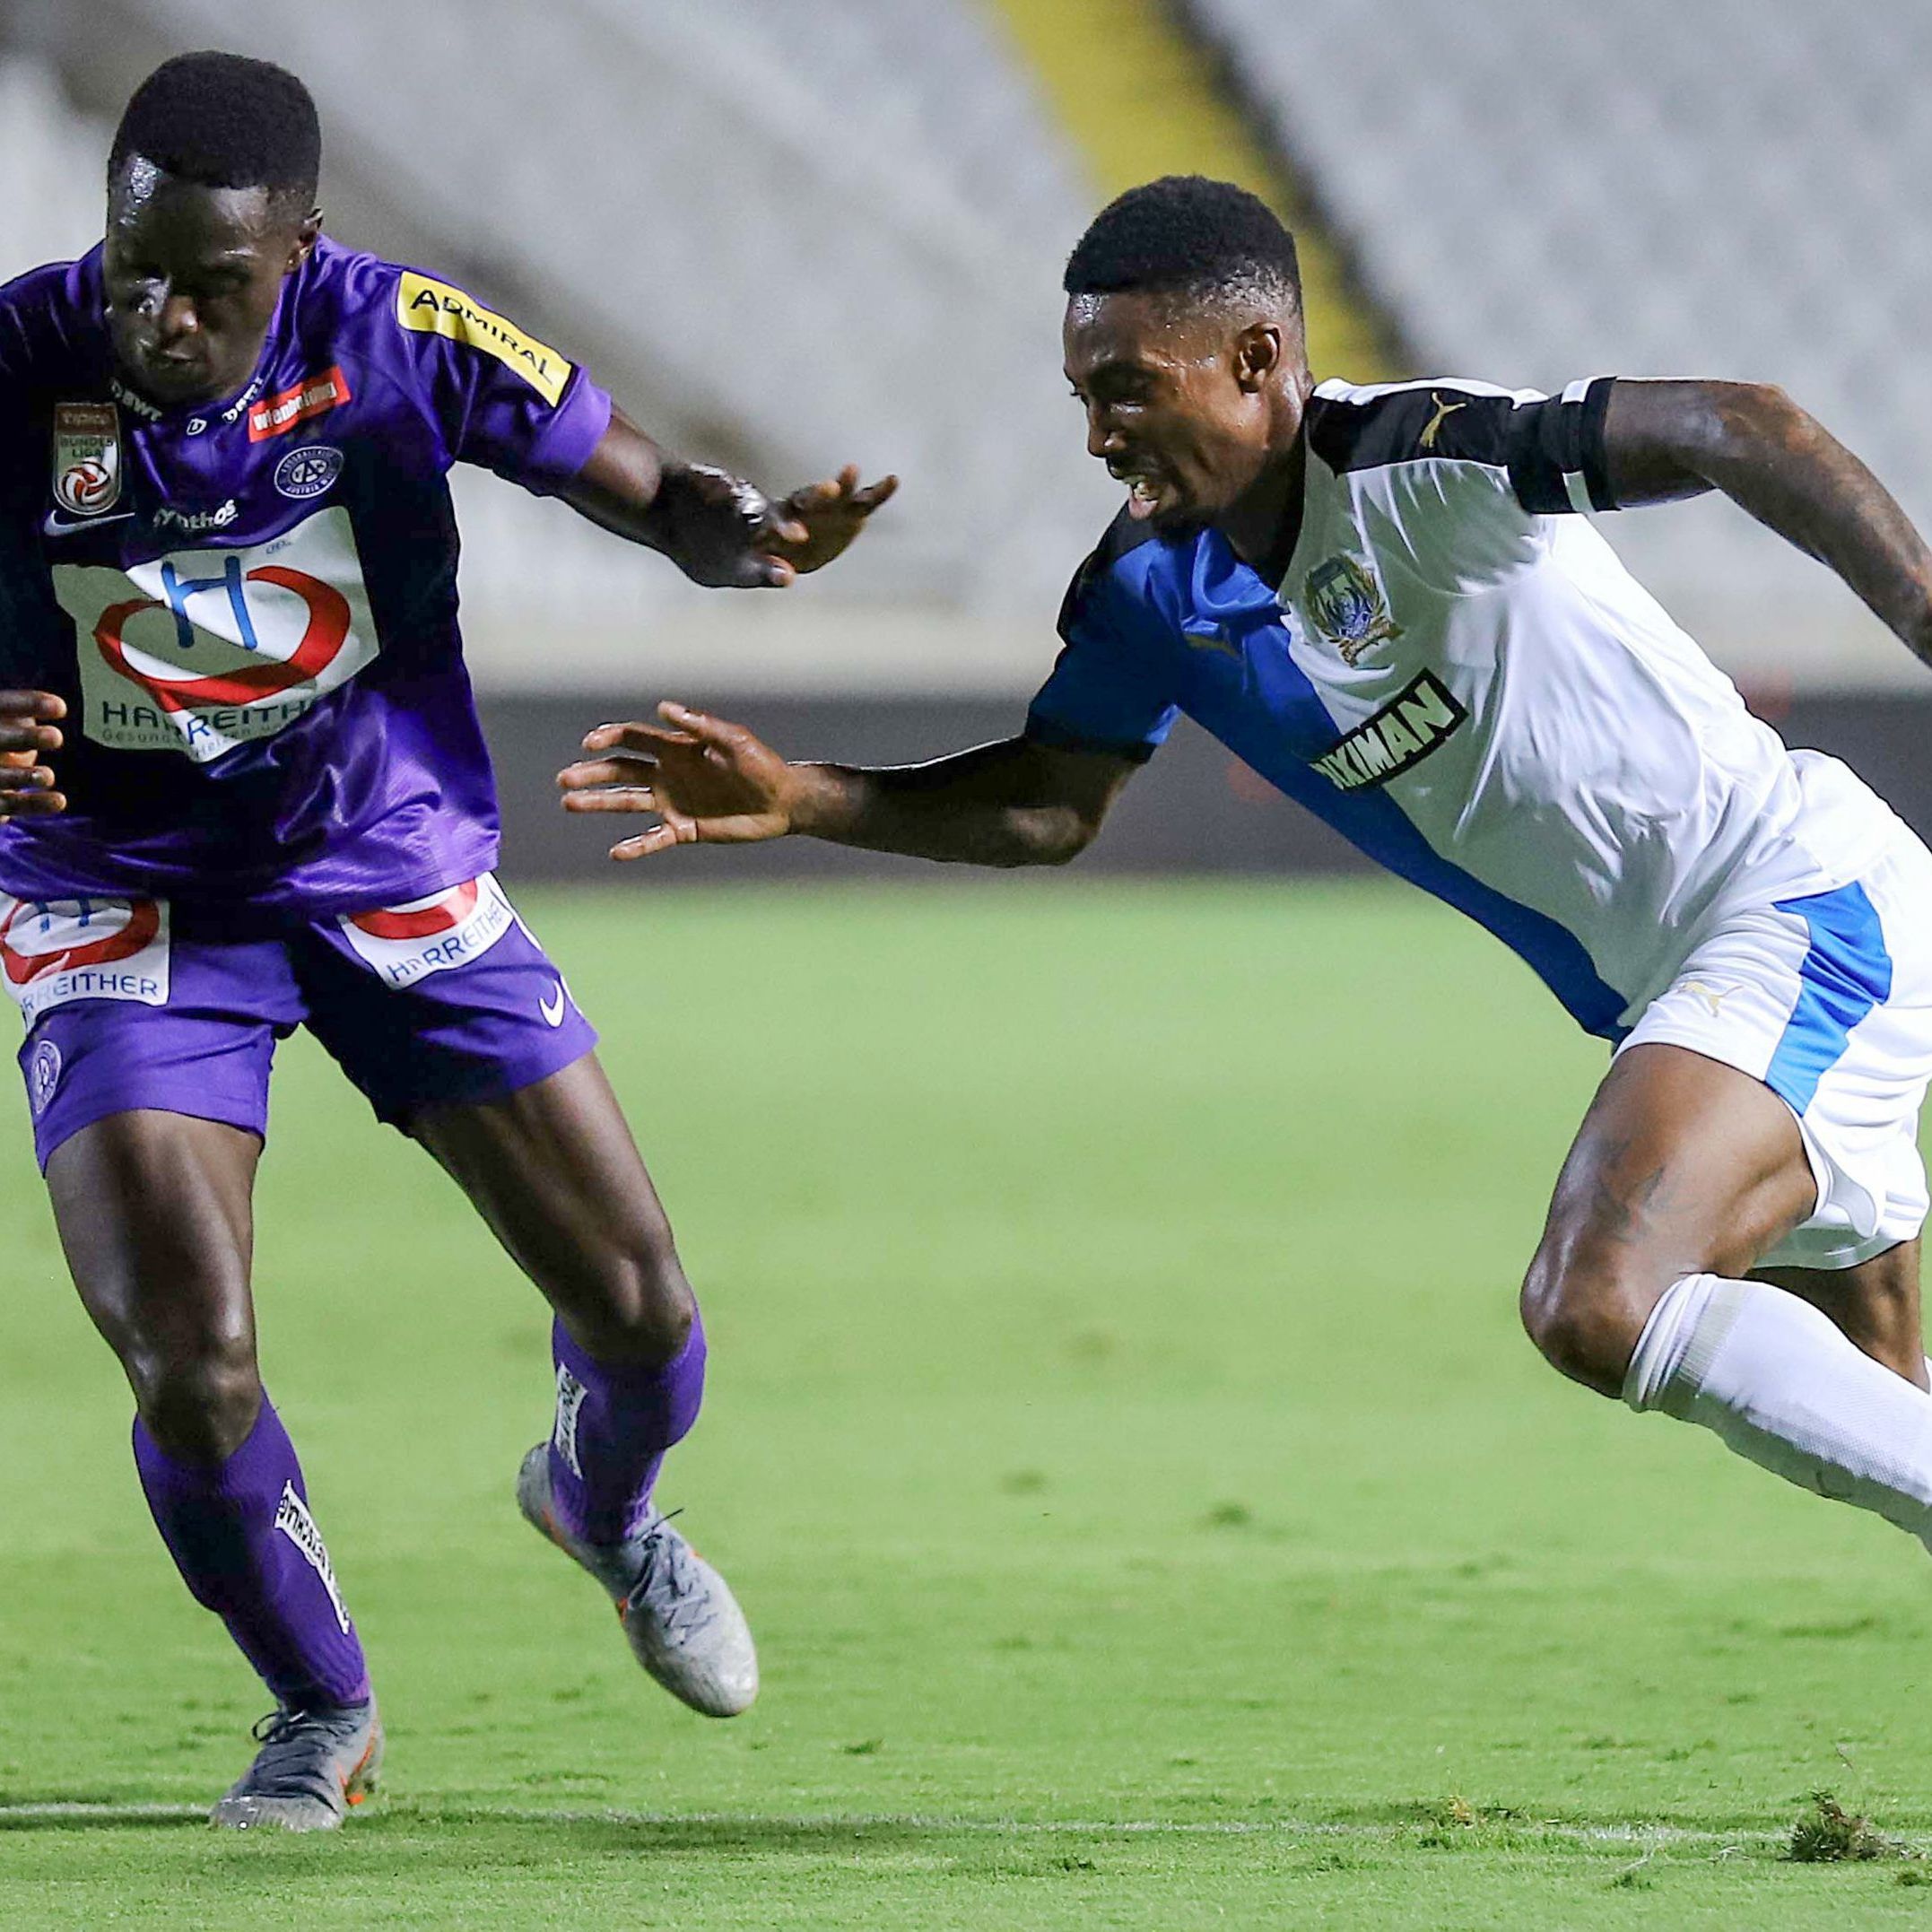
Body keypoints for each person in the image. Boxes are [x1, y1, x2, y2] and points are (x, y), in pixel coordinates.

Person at [561, 174, 1932, 1612]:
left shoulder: (1421, 458)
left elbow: (1741, 424)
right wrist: (807, 797)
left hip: (1797, 905)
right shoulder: (1145, 591)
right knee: (1884, 1396)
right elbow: (1052, 800)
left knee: (1598, 1298)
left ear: (1257, 358)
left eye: (1127, 388)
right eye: (1082, 397)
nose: (1098, 435)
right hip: (1682, 993)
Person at [0, 50, 893, 1830]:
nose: (163, 317)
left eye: (212, 282)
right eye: (135, 269)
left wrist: (725, 534)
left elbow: (641, 480)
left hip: (380, 856)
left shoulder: (398, 332)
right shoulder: (21, 356)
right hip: (121, 889)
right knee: (189, 1353)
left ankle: (603, 1505)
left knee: (638, 1306)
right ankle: (318, 1705)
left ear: (302, 248)